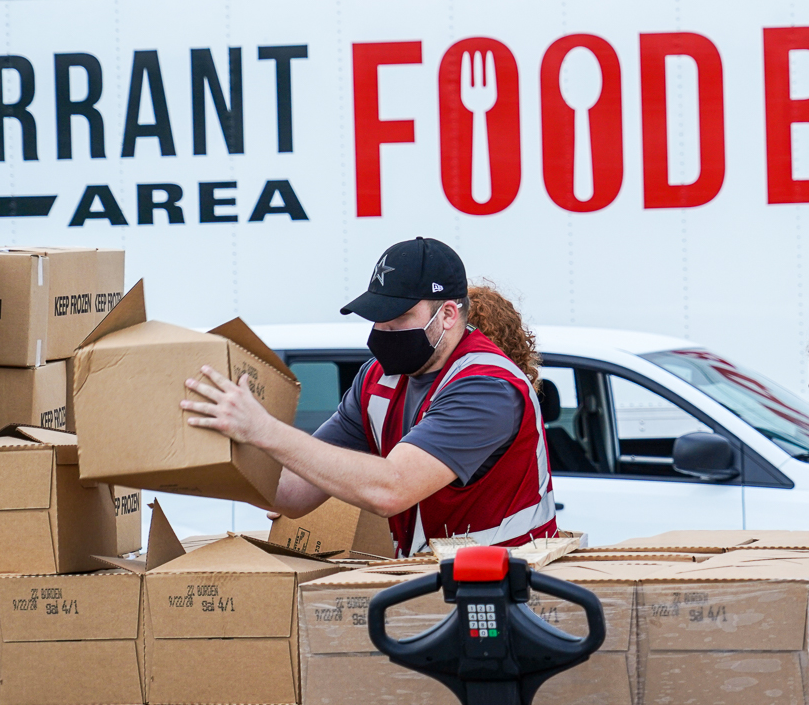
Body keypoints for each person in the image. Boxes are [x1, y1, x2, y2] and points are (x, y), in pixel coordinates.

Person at [181, 236, 556, 557]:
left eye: (398, 318)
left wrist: (262, 429)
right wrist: (195, 452)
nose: (383, 330)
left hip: (510, 587)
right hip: (439, 582)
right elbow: (292, 494)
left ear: (446, 315)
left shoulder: (486, 387)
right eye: (377, 317)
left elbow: (392, 487)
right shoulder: (377, 378)